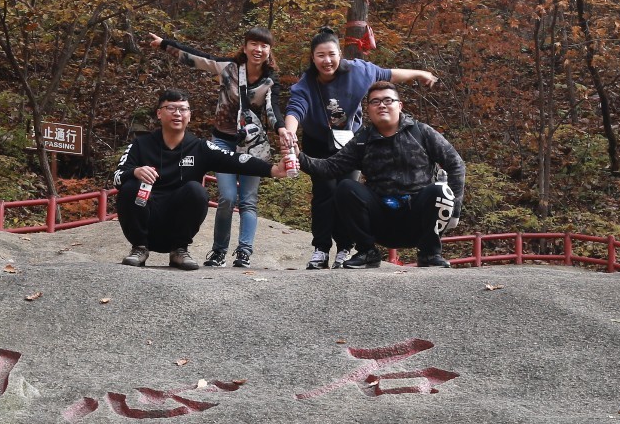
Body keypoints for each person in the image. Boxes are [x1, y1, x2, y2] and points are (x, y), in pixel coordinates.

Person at [278, 29, 439, 268]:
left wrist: (420, 73)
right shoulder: (306, 84)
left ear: (340, 54)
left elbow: (390, 75)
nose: (327, 61)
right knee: (324, 194)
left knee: (345, 193)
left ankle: (345, 247)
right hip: (317, 142)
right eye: (320, 55)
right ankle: (321, 249)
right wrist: (289, 133)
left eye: (331, 54)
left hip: (349, 143)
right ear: (312, 58)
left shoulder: (359, 71)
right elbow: (296, 109)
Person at [143, 27, 282, 268]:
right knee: (227, 198)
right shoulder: (228, 68)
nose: (258, 50)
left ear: (269, 50)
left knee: (248, 200)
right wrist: (165, 44)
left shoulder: (271, 80)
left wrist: (281, 129)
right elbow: (198, 58)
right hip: (222, 141)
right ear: (245, 46)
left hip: (251, 145)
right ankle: (219, 251)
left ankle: (244, 252)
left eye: (264, 46)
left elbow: (273, 109)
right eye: (254, 44)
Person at [113, 89, 287, 269]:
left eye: (183, 109)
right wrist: (134, 172)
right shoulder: (140, 145)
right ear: (159, 113)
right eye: (171, 108)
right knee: (130, 186)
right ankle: (139, 248)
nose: (177, 114)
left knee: (196, 190)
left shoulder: (199, 147)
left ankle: (179, 250)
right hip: (146, 219)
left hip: (177, 225)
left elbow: (236, 161)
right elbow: (117, 178)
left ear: (189, 115)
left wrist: (273, 169)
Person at [299, 81, 465, 268]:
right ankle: (366, 252)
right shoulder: (362, 140)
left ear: (399, 105)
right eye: (375, 102)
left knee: (439, 190)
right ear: (368, 109)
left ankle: (430, 253)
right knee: (346, 188)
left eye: (388, 100)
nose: (382, 105)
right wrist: (297, 157)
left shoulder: (421, 132)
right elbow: (330, 167)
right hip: (380, 220)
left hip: (417, 218)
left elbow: (456, 165)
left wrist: (454, 212)